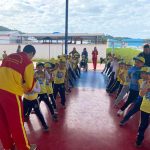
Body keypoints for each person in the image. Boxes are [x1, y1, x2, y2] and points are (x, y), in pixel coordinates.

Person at [0, 45, 37, 150]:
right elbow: (29, 86)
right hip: (11, 93)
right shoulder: (28, 62)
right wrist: (25, 86)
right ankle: (24, 148)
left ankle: (8, 147)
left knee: (2, 123)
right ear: (31, 54)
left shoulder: (9, 56)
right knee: (17, 123)